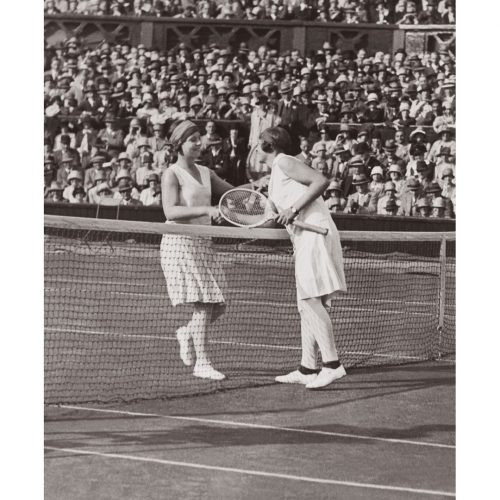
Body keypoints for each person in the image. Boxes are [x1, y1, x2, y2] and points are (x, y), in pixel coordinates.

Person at [256, 126, 347, 389]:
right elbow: (278, 214)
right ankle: (308, 368)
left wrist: (294, 210)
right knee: (305, 302)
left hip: (315, 233)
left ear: (269, 145)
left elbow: (321, 181)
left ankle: (332, 365)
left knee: (310, 298)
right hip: (302, 237)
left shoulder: (284, 161)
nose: (255, 146)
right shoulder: (276, 172)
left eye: (259, 142)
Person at [160, 120, 234, 381]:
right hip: (179, 243)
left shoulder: (206, 172)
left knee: (220, 305)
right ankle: (202, 363)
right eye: (193, 139)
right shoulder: (171, 174)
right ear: (179, 144)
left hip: (203, 242)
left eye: (199, 138)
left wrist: (260, 184)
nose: (199, 143)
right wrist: (207, 210)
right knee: (205, 302)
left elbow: (233, 195)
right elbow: (170, 211)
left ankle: (187, 332)